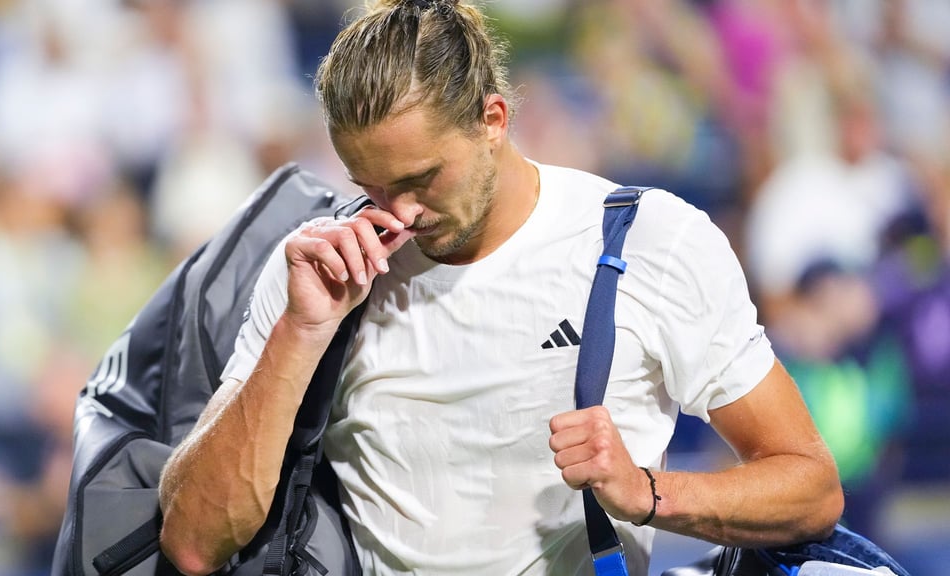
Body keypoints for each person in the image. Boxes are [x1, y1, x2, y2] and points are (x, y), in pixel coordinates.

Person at [157, 1, 844, 574]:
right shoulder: (316, 271)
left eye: (422, 179)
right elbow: (193, 542)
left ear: (493, 120)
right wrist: (302, 333)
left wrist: (649, 493)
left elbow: (810, 487)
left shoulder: (652, 242)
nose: (398, 213)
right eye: (369, 187)